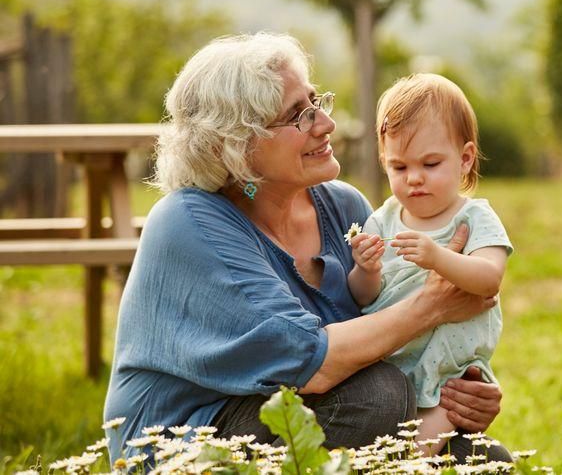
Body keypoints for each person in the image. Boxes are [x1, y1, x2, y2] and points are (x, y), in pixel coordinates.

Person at [103, 33, 509, 464]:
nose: (326, 124)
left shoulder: (343, 206)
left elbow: (385, 327)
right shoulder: (188, 223)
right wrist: (434, 305)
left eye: (318, 103)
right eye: (299, 116)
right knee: (379, 398)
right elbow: (310, 364)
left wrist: (460, 387)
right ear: (237, 145)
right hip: (188, 441)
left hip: (310, 412)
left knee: (485, 460)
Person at [349, 73, 512, 456]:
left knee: (411, 454)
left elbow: (489, 279)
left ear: (465, 158)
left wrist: (439, 257)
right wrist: (367, 270)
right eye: (399, 168)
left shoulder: (474, 218)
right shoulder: (382, 219)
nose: (415, 179)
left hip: (449, 372)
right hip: (393, 360)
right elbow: (362, 297)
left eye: (431, 163)